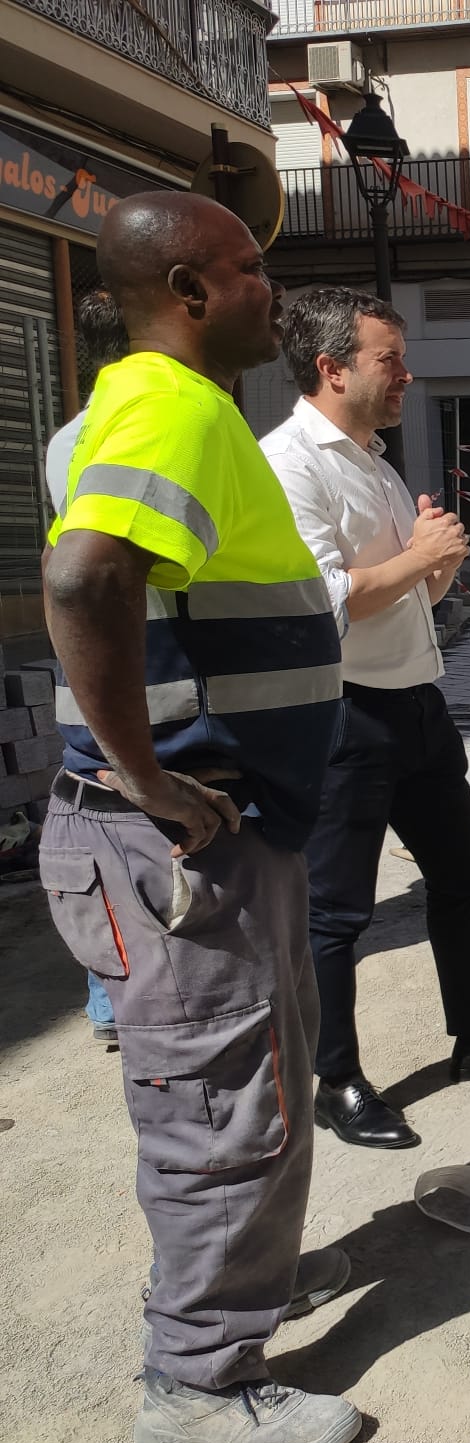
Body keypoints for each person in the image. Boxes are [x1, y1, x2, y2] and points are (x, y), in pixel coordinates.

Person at [37, 191, 361, 1443]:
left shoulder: (131, 414)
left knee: (251, 1087)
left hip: (214, 837)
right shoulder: (168, 407)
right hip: (184, 843)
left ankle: (232, 1299)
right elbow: (84, 580)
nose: (268, 292)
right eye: (248, 270)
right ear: (185, 288)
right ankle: (196, 1382)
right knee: (225, 1107)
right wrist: (155, 784)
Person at [263, 287, 470, 1150]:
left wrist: (436, 562)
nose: (409, 373)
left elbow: (416, 590)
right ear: (331, 369)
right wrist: (419, 556)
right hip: (343, 716)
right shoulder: (290, 462)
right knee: (336, 913)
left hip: (416, 700)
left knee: (462, 870)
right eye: (389, 360)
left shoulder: (372, 456)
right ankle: (335, 1080)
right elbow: (320, 607)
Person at [41, 288, 129, 1048]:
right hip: (132, 672)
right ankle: (117, 1000)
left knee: (107, 831)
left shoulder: (69, 436)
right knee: (124, 827)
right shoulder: (122, 435)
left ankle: (107, 998)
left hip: (98, 673)